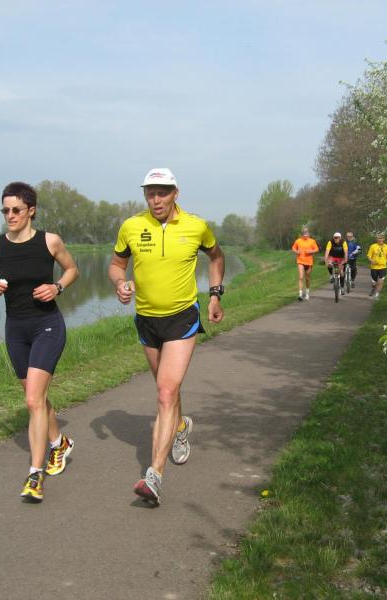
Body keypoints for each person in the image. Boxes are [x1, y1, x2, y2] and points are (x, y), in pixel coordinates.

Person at [109, 168, 225, 506]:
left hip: (182, 318)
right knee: (167, 390)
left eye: (162, 192)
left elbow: (216, 257)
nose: (156, 199)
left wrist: (215, 294)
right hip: (147, 320)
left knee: (165, 392)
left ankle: (154, 476)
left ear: (175, 193)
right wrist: (120, 283)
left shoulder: (196, 226)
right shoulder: (131, 226)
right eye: (150, 193)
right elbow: (116, 264)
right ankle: (180, 427)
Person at [0, 182, 79, 503]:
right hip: (16, 329)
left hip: (47, 325)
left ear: (31, 211)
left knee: (34, 399)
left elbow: (72, 269)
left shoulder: (50, 241)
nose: (9, 215)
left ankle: (35, 475)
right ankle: (60, 443)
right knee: (35, 398)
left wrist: (57, 287)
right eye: (5, 210)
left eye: (16, 210)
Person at [291, 226, 319, 300]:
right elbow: (293, 248)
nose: (305, 234)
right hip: (300, 261)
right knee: (301, 277)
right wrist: (296, 251)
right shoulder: (298, 241)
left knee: (307, 278)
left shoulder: (312, 241)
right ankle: (300, 294)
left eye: (306, 232)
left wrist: (310, 251)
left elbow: (317, 249)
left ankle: (307, 293)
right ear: (302, 234)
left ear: (308, 233)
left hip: (309, 262)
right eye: (304, 232)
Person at [367, 233, 387, 299]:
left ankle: (377, 294)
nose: (380, 240)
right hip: (374, 267)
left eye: (381, 238)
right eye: (379, 238)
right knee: (374, 282)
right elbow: (369, 256)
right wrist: (371, 261)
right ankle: (373, 288)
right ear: (376, 239)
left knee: (381, 281)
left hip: (383, 267)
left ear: (384, 239)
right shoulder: (373, 246)